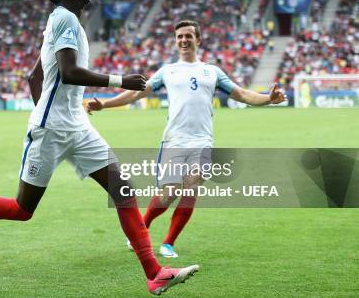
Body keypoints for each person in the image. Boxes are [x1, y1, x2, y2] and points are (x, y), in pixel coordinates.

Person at [0, 0, 199, 296]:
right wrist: (119, 81)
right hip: (52, 130)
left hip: (77, 126)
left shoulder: (63, 23)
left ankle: (155, 275)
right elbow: (70, 72)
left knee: (123, 189)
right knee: (22, 210)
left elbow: (35, 77)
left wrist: (51, 110)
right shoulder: (64, 18)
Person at [87, 19, 286, 258]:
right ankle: (140, 230)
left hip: (202, 141)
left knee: (191, 190)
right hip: (174, 141)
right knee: (168, 194)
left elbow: (242, 94)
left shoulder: (212, 72)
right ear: (175, 40)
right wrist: (106, 105)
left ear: (198, 40)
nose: (183, 40)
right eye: (179, 36)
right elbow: (135, 94)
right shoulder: (167, 71)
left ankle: (168, 243)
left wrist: (267, 99)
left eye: (188, 36)